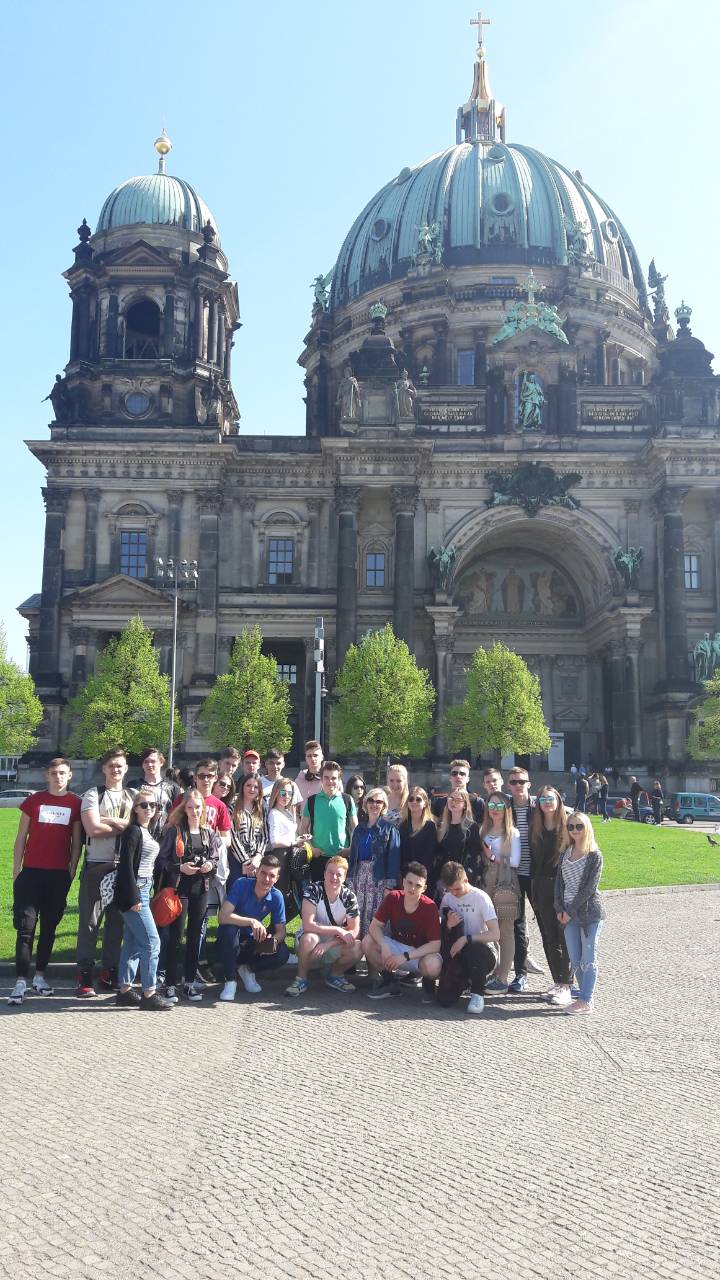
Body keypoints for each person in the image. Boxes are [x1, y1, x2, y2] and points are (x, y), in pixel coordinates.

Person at [8, 758, 82, 1006]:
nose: (57, 777)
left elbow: (76, 842)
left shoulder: (75, 803)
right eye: (53, 773)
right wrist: (16, 870)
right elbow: (21, 837)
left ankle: (40, 977)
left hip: (58, 876)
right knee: (25, 928)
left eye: (62, 773)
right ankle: (20, 981)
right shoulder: (34, 801)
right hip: (30, 874)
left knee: (49, 928)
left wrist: (71, 871)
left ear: (69, 775)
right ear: (46, 776)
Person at [76, 746, 135, 997]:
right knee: (90, 923)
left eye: (119, 765)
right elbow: (92, 829)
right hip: (97, 866)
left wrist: (107, 820)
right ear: (104, 769)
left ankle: (109, 971)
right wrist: (124, 825)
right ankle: (84, 974)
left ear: (126, 768)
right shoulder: (93, 794)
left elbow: (138, 828)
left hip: (124, 867)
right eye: (111, 766)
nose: (115, 769)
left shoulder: (133, 795)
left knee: (116, 924)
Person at [156, 789, 223, 1002]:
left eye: (198, 807)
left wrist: (209, 865)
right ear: (184, 809)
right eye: (191, 807)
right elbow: (162, 861)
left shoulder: (208, 833)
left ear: (203, 809)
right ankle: (170, 984)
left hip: (201, 888)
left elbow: (215, 859)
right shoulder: (174, 831)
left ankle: (189, 982)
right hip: (179, 890)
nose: (195, 811)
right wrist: (180, 868)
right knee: (175, 936)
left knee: (195, 937)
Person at [114, 788, 174, 1010]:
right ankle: (149, 993)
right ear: (135, 809)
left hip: (144, 889)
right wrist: (133, 897)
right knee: (152, 942)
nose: (149, 809)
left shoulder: (147, 831)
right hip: (135, 891)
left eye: (153, 805)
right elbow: (126, 866)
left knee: (133, 943)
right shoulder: (133, 831)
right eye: (144, 805)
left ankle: (125, 991)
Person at [364, 862, 442, 1001]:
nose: (412, 888)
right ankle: (390, 982)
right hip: (397, 947)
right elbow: (374, 927)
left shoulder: (430, 907)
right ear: (403, 882)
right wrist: (383, 945)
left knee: (433, 965)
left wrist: (405, 956)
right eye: (409, 883)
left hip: (420, 954)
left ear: (424, 888)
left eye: (418, 885)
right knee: (367, 941)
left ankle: (427, 982)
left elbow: (435, 945)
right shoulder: (393, 897)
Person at [285, 856, 362, 997]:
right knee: (309, 939)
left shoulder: (349, 896)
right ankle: (301, 979)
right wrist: (337, 929)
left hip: (333, 941)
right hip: (311, 939)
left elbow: (354, 930)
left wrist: (329, 944)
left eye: (339, 874)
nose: (334, 877)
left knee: (358, 947)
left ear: (344, 877)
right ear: (324, 873)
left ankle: (335, 975)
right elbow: (308, 925)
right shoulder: (313, 890)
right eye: (330, 873)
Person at [217, 853, 289, 1000]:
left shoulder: (277, 896)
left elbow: (281, 931)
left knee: (282, 952)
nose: (266, 879)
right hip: (231, 941)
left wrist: (272, 942)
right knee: (229, 930)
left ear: (277, 878)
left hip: (253, 942)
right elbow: (223, 916)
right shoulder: (241, 884)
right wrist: (251, 921)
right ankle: (230, 980)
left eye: (271, 875)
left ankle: (248, 970)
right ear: (257, 872)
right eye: (263, 873)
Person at [554, 811, 606, 1015]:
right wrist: (560, 908)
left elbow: (589, 889)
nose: (574, 830)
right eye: (571, 827)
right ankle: (584, 996)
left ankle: (586, 1000)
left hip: (589, 914)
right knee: (575, 960)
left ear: (587, 828)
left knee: (588, 959)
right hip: (567, 913)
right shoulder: (565, 852)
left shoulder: (594, 855)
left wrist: (570, 910)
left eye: (579, 826)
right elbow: (559, 884)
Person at [529, 786, 573, 1007]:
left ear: (558, 801)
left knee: (565, 937)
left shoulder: (569, 825)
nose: (547, 802)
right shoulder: (535, 828)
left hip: (562, 887)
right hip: (542, 887)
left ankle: (567, 985)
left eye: (550, 798)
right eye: (543, 799)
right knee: (549, 937)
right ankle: (558, 982)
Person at [438, 861, 500, 1014]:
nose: (454, 893)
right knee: (444, 1000)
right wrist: (448, 925)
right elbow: (440, 930)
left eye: (457, 889)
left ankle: (478, 993)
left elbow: (495, 933)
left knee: (473, 949)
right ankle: (464, 982)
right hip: (458, 954)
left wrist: (466, 939)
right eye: (450, 890)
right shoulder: (447, 899)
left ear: (466, 880)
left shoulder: (481, 898)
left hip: (483, 952)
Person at [478, 791, 521, 994]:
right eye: (491, 805)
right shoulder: (483, 830)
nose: (494, 810)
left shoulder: (512, 832)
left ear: (506, 809)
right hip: (485, 881)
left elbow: (515, 862)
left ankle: (503, 977)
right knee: (488, 927)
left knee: (505, 931)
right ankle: (494, 971)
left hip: (505, 882)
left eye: (499, 806)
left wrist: (492, 856)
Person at [507, 767, 544, 992]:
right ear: (508, 785)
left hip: (537, 875)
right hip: (514, 876)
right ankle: (521, 974)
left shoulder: (538, 806)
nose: (518, 785)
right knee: (517, 925)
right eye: (513, 782)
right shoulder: (505, 807)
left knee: (546, 923)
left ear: (529, 783)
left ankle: (563, 978)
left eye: (521, 781)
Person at [347, 787, 401, 936]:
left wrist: (389, 886)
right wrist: (350, 879)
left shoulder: (390, 829)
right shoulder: (359, 829)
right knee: (358, 911)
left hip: (379, 878)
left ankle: (373, 945)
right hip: (359, 877)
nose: (374, 804)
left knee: (376, 914)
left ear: (384, 806)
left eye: (379, 802)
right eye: (371, 800)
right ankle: (358, 944)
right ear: (366, 803)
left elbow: (393, 858)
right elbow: (353, 855)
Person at [301, 760, 357, 879]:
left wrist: (350, 849)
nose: (330, 781)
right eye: (326, 777)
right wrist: (312, 848)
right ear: (321, 779)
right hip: (318, 858)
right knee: (318, 889)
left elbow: (355, 828)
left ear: (339, 780)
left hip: (341, 858)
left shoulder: (347, 800)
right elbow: (303, 828)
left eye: (334, 778)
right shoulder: (311, 801)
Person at [435, 789, 483, 893]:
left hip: (463, 880)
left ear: (465, 804)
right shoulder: (442, 826)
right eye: (451, 799)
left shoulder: (471, 827)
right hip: (444, 880)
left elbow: (475, 857)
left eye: (458, 800)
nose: (453, 802)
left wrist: (469, 879)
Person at [175, 759, 232, 845]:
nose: (206, 780)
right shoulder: (182, 798)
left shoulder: (220, 806)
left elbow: (227, 840)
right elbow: (168, 827)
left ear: (215, 778)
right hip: (184, 847)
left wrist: (211, 839)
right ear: (195, 778)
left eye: (210, 776)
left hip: (207, 850)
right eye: (202, 776)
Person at [127, 746, 181, 836]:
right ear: (142, 765)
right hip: (139, 835)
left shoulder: (172, 787)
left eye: (153, 761)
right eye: (146, 761)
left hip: (165, 837)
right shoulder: (133, 786)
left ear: (161, 762)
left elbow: (178, 813)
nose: (149, 764)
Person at [227, 775, 267, 887]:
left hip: (256, 861)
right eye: (248, 785)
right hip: (236, 860)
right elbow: (232, 836)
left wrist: (258, 857)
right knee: (236, 891)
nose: (252, 789)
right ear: (242, 787)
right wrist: (246, 861)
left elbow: (264, 836)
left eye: (256, 787)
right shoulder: (232, 808)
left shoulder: (261, 809)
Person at [398, 787, 438, 883]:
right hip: (405, 877)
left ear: (425, 803)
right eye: (411, 799)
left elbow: (429, 856)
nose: (414, 802)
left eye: (418, 799)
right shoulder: (402, 826)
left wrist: (418, 876)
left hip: (423, 878)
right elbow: (400, 854)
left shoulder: (430, 826)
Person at [294, 740, 324, 807]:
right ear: (306, 758)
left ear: (322, 757)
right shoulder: (299, 779)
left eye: (315, 755)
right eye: (309, 756)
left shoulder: (330, 778)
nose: (312, 759)